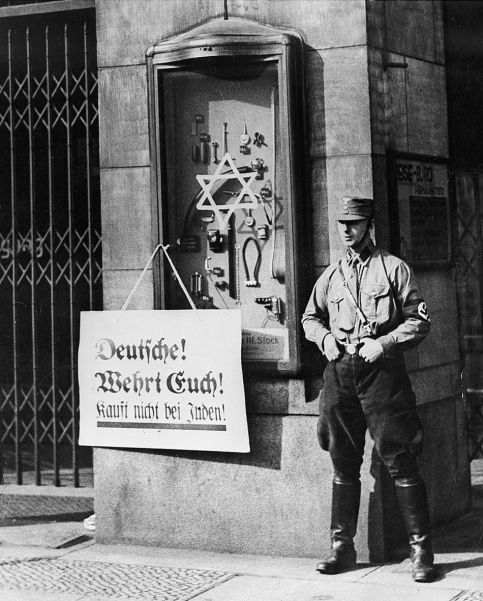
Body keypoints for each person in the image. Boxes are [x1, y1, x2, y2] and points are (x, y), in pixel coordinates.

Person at [301, 196, 434, 583]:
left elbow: (420, 321)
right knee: (343, 460)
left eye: (355, 223)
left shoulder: (393, 269)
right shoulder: (331, 276)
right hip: (340, 373)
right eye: (342, 223)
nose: (347, 230)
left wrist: (386, 343)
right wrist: (324, 339)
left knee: (400, 457)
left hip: (382, 373)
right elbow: (310, 316)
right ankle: (342, 547)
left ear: (369, 225)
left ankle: (421, 550)